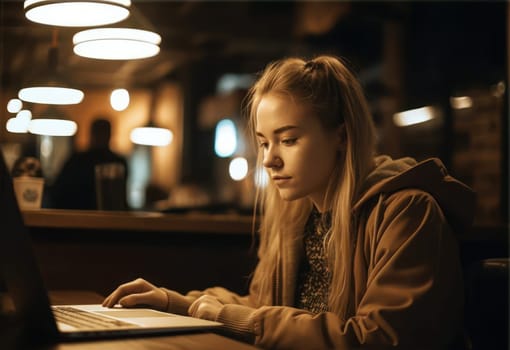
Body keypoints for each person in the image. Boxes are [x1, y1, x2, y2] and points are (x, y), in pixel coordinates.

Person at [103, 56, 475, 349]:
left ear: (342, 137)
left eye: (289, 139)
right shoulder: (298, 214)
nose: (269, 159)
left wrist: (240, 320)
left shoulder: (407, 211)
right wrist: (172, 302)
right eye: (264, 142)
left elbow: (379, 338)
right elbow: (260, 304)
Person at [51, 117, 128, 210]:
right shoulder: (77, 160)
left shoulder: (118, 163)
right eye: (99, 132)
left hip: (88, 215)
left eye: (104, 132)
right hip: (78, 215)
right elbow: (59, 192)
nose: (101, 136)